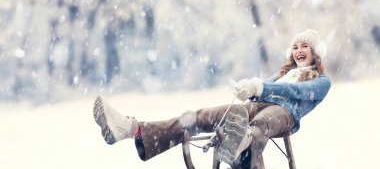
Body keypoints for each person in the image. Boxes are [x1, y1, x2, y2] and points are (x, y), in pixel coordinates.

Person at [93, 29, 331, 168]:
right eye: (296, 46)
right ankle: (131, 129)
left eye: (305, 46)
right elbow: (264, 87)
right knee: (201, 116)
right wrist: (247, 88)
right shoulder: (283, 74)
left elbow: (297, 93)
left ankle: (238, 143)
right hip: (255, 106)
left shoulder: (321, 81)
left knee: (261, 124)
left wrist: (261, 87)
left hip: (285, 114)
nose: (299, 50)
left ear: (315, 53)